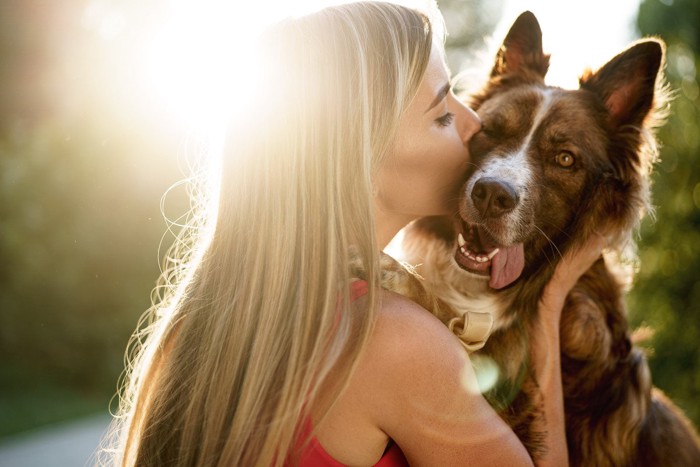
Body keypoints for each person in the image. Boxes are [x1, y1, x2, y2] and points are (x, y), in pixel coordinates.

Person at [104, 1, 605, 466]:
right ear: (358, 158)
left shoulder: (201, 324)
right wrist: (549, 299)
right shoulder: (392, 340)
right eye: (442, 115)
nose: (476, 122)